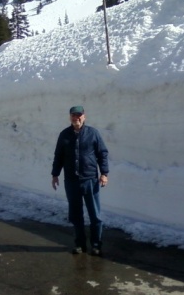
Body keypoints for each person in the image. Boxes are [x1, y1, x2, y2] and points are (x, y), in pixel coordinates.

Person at [51, 106, 109, 256]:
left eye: (79, 115)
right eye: (73, 115)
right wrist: (55, 174)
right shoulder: (64, 135)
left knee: (95, 215)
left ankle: (96, 245)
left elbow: (102, 153)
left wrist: (104, 173)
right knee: (76, 215)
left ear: (84, 117)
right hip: (71, 181)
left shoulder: (93, 133)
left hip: (89, 180)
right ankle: (80, 244)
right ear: (70, 117)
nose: (76, 118)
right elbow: (59, 156)